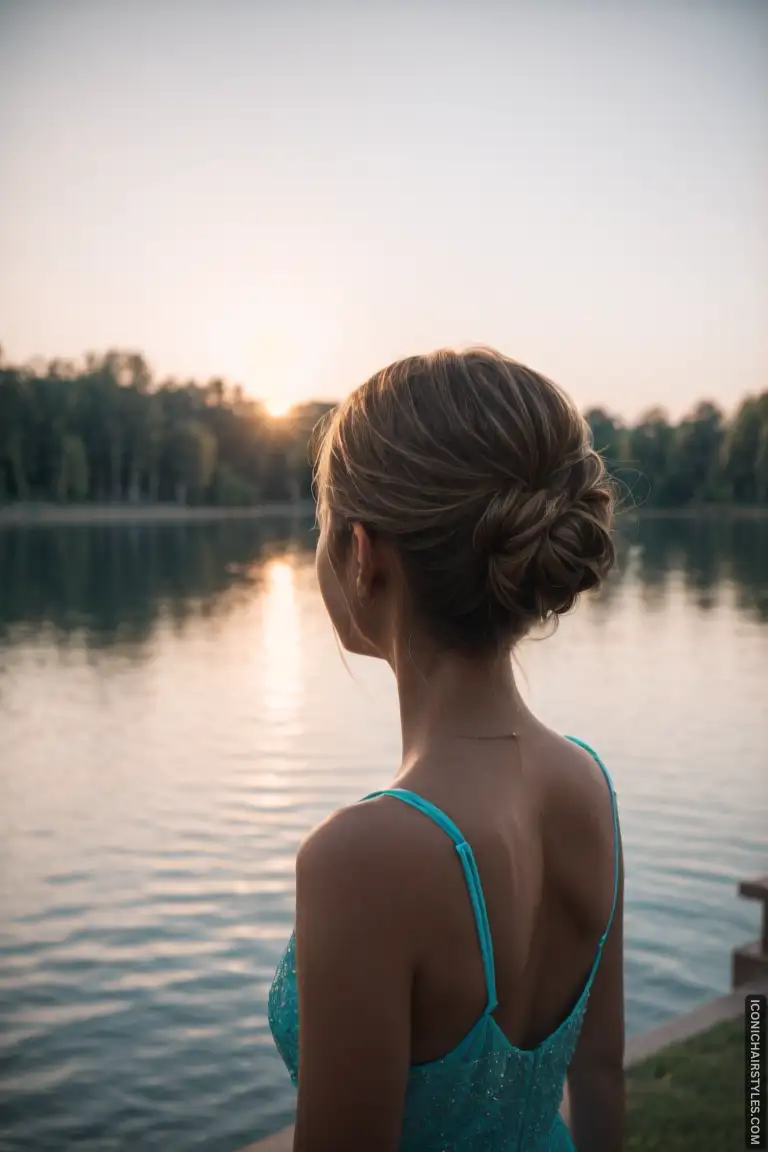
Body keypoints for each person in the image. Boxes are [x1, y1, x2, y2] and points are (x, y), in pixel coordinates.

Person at [268, 347, 624, 1151]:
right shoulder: (589, 786)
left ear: (362, 558)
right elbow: (602, 1077)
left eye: (320, 525)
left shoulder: (363, 858)